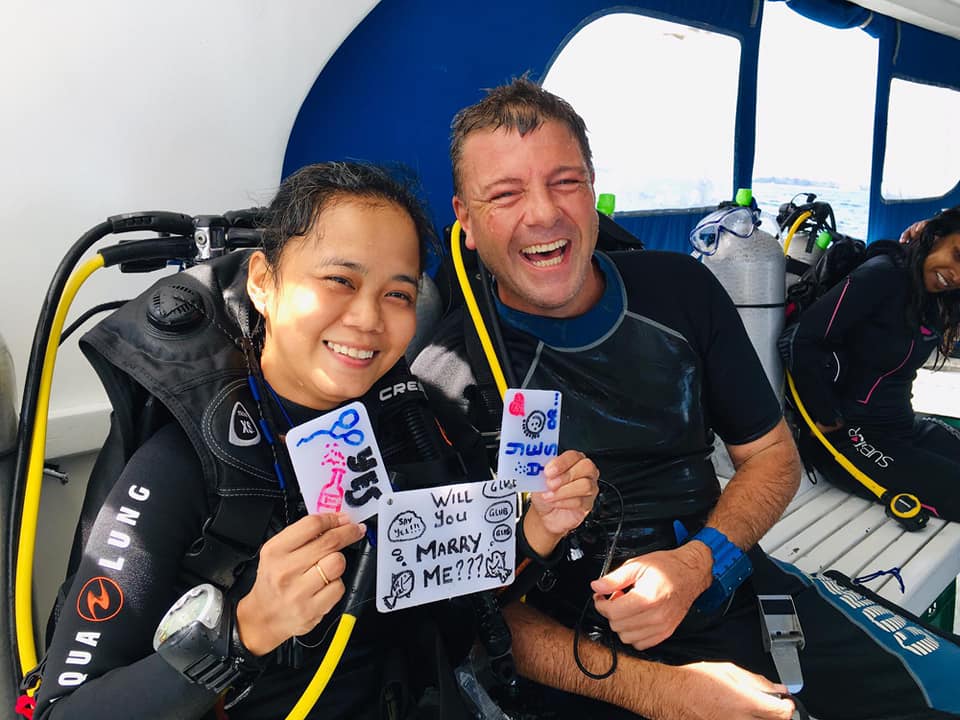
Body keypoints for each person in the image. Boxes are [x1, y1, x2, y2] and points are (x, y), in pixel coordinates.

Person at [413, 78, 960, 720]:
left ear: (593, 192)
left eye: (564, 182)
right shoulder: (447, 377)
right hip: (587, 655)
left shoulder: (680, 292)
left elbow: (772, 459)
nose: (542, 213)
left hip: (723, 574)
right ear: (467, 222)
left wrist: (698, 566)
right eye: (504, 194)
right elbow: (476, 608)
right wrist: (666, 692)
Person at [32, 162, 598, 719]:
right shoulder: (183, 465)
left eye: (398, 295)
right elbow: (66, 709)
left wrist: (532, 534)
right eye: (339, 281)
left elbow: (462, 606)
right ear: (263, 282)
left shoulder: (419, 428)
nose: (367, 318)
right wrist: (246, 628)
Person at [785, 209, 960, 520]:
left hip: (902, 427)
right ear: (935, 237)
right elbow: (803, 339)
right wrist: (824, 416)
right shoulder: (882, 276)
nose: (957, 276)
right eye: (957, 255)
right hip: (851, 437)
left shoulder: (937, 296)